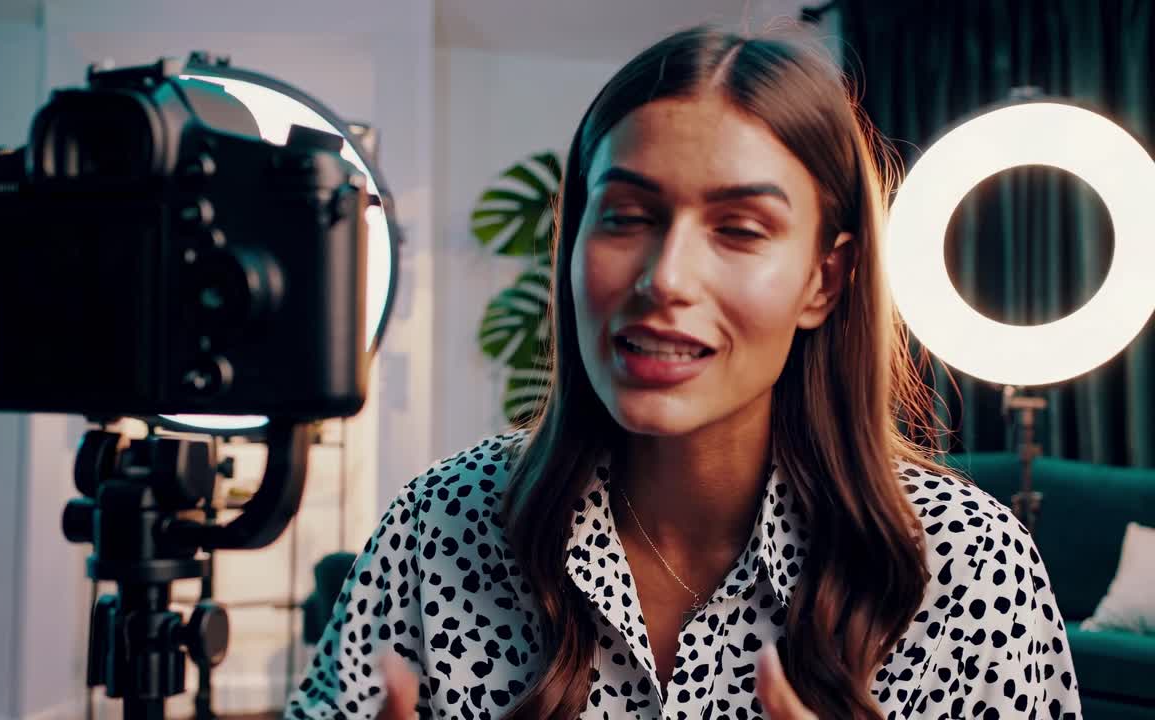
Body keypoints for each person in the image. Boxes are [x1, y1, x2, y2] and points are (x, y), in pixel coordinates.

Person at [288, 25, 1081, 720]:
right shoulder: (440, 525)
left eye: (739, 229)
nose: (665, 277)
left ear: (824, 282)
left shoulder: (967, 569)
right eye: (626, 218)